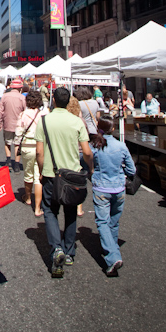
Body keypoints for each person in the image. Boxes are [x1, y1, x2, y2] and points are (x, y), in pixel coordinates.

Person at [35, 86, 93, 277]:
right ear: (68, 102)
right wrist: (89, 168)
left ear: (53, 101)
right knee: (71, 212)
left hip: (51, 174)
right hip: (72, 174)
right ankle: (69, 252)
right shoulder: (76, 121)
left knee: (50, 212)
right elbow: (86, 151)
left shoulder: (43, 121)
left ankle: (56, 249)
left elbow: (39, 152)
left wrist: (43, 170)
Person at [89, 113, 136, 276]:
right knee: (114, 222)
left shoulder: (95, 145)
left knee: (102, 221)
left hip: (101, 187)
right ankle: (113, 249)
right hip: (119, 187)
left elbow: (84, 159)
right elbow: (132, 170)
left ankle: (112, 255)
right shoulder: (121, 146)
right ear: (113, 128)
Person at [15, 90, 45, 217]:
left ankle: (28, 198)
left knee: (28, 174)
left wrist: (17, 146)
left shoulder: (23, 114)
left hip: (27, 145)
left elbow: (18, 133)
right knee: (39, 176)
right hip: (41, 146)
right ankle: (38, 208)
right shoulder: (44, 114)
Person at [0, 78, 26, 172]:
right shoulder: (22, 98)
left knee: (7, 142)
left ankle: (8, 160)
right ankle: (17, 164)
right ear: (20, 88)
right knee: (17, 144)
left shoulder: (5, 96)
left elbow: (0, 111)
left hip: (7, 122)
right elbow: (25, 111)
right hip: (19, 124)